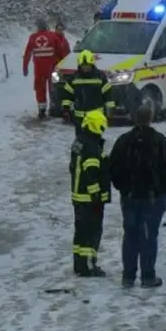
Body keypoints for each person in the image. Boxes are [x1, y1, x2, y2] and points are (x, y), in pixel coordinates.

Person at [108, 104, 166, 288]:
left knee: (130, 235)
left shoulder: (123, 141)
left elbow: (113, 167)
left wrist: (123, 188)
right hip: (152, 197)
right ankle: (148, 276)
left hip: (130, 196)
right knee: (148, 235)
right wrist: (165, 193)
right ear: (151, 118)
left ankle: (128, 276)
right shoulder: (159, 141)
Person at [70, 109, 111, 277]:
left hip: (78, 195)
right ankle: (88, 265)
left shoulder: (79, 141)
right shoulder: (92, 146)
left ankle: (79, 263)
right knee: (91, 231)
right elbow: (91, 173)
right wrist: (96, 195)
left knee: (80, 231)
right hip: (89, 198)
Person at [61, 50, 115, 134]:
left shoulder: (100, 77)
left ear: (92, 64)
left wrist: (110, 112)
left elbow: (108, 95)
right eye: (83, 66)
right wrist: (65, 109)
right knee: (81, 140)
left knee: (94, 141)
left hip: (96, 118)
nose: (85, 68)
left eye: (87, 65)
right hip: (79, 118)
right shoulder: (74, 78)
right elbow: (67, 96)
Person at [23, 18, 64, 119]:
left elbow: (27, 53)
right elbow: (61, 51)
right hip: (53, 69)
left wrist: (25, 67)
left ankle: (41, 110)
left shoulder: (33, 37)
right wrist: (63, 66)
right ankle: (54, 108)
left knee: (40, 89)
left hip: (39, 70)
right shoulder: (53, 36)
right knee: (54, 88)